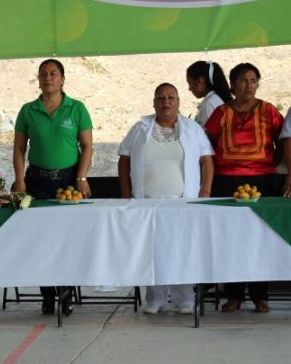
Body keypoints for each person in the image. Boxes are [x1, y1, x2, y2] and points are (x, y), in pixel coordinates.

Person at [118, 83, 214, 315]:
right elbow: (124, 159)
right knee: (152, 250)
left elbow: (207, 160)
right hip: (147, 203)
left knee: (182, 249)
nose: (166, 102)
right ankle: (155, 299)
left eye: (171, 97)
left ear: (178, 102)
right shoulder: (140, 128)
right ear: (154, 103)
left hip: (182, 203)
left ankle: (185, 299)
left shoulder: (192, 129)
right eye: (160, 98)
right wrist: (126, 193)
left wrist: (205, 192)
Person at [11, 58, 93, 316]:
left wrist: (81, 177)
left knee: (67, 239)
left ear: (62, 79)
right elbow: (19, 148)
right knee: (41, 239)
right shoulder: (28, 110)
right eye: (43, 74)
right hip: (37, 181)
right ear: (38, 79)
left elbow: (87, 146)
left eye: (53, 73)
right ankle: (47, 294)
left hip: (68, 181)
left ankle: (66, 293)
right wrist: (20, 179)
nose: (48, 78)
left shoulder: (77, 108)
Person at [205, 63, 283, 313]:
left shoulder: (268, 110)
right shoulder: (221, 113)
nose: (249, 85)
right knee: (232, 238)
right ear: (232, 84)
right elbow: (207, 144)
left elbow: (283, 142)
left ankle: (260, 296)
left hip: (263, 182)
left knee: (261, 237)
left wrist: (269, 164)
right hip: (226, 182)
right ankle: (234, 295)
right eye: (243, 80)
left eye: (253, 80)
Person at [186, 61, 232, 125]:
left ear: (200, 81)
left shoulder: (209, 104)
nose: (189, 89)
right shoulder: (216, 99)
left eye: (190, 83)